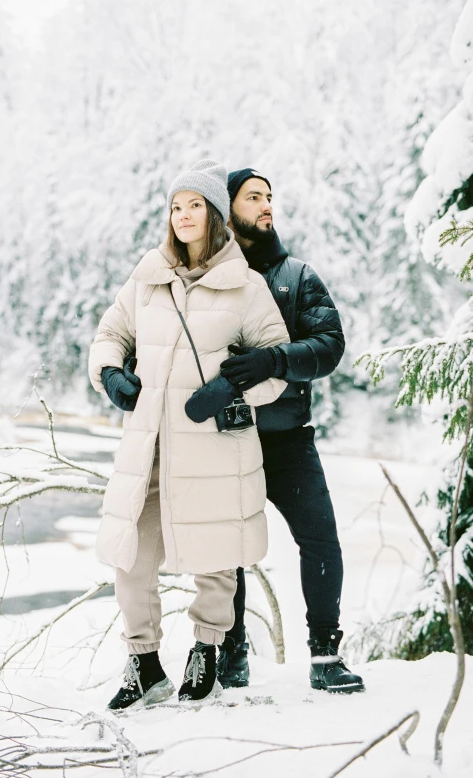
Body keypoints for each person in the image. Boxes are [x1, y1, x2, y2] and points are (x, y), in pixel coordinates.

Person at [88, 159, 290, 708]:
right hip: (148, 444)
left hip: (215, 447)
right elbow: (111, 332)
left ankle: (207, 649)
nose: (182, 215)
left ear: (216, 216)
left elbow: (276, 367)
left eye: (194, 205)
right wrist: (110, 373)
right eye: (175, 206)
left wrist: (233, 388)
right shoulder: (147, 275)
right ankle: (144, 661)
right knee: (128, 554)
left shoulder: (245, 287)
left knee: (216, 554)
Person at [215, 168, 365, 694]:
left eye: (269, 197)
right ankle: (230, 655)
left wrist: (275, 360)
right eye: (253, 197)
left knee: (321, 540)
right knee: (225, 549)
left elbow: (330, 345)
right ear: (227, 207)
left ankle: (326, 655)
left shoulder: (298, 276)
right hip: (227, 438)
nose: (265, 205)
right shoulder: (206, 277)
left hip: (288, 438)